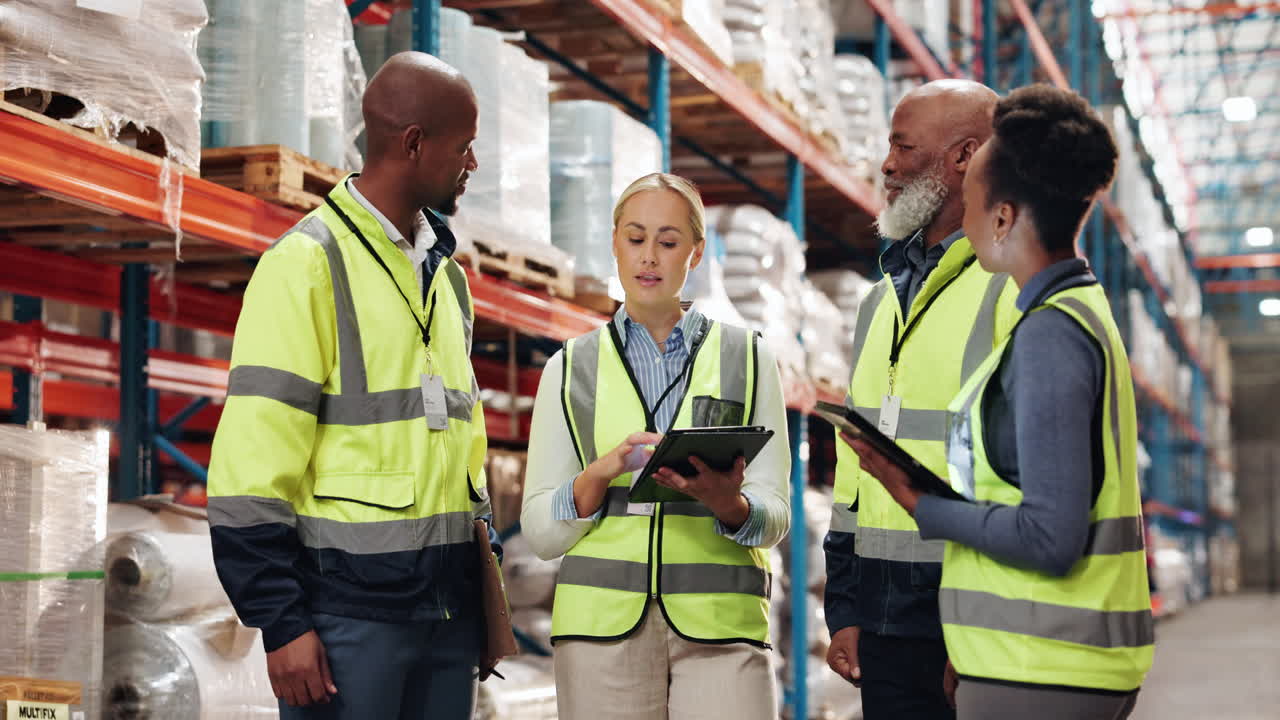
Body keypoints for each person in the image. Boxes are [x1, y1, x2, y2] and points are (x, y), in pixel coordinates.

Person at [848, 84, 1153, 720]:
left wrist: (920, 504)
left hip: (1036, 655)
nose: (966, 221)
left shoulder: (1041, 324)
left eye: (976, 204)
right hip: (1008, 644)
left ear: (1004, 216)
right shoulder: (1067, 311)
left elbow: (1049, 533)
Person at [207, 52, 491, 720]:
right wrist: (281, 621)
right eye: (465, 147)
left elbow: (460, 447)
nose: (471, 164)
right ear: (414, 143)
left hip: (446, 620)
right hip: (347, 626)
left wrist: (483, 596)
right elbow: (252, 466)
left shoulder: (449, 280)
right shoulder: (305, 265)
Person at [520, 173, 791, 720]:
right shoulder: (569, 368)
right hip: (601, 633)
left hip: (722, 629)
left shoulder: (747, 357)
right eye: (635, 239)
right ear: (614, 243)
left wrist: (727, 502)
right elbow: (542, 533)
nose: (649, 257)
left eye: (668, 243)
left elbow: (776, 516)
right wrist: (598, 475)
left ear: (695, 254)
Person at [822, 79, 1020, 720]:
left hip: (962, 619)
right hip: (884, 622)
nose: (886, 165)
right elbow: (854, 468)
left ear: (964, 157)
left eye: (903, 147)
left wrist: (983, 626)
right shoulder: (880, 302)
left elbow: (1022, 478)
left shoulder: (1009, 291)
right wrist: (847, 608)